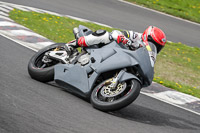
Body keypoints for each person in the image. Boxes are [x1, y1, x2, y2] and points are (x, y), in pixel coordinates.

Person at [65, 26, 167, 66]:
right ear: (148, 37)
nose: (155, 47)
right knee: (105, 35)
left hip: (119, 59)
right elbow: (118, 33)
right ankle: (72, 45)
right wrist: (125, 40)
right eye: (154, 43)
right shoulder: (137, 37)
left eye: (158, 46)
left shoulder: (150, 54)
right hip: (110, 48)